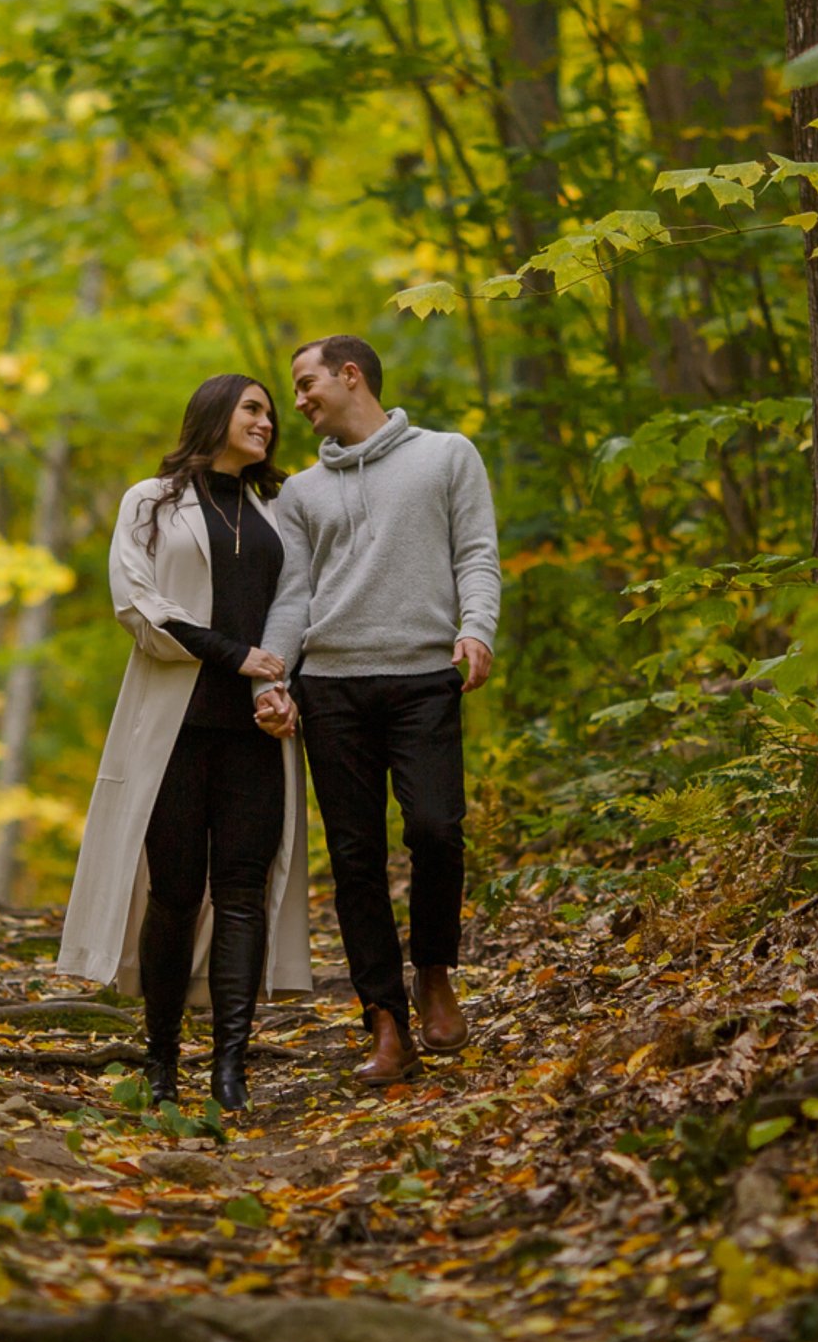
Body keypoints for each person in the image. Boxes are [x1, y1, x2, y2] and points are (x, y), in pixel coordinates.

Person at [59, 375, 316, 1110]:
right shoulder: (152, 500)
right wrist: (232, 655)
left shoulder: (278, 508)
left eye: (270, 413)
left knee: (242, 893)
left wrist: (274, 685)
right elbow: (136, 603)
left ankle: (230, 1066)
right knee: (174, 893)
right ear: (213, 413)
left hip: (256, 730)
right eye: (254, 408)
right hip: (173, 726)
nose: (268, 422)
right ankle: (161, 1058)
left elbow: (294, 609)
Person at [251, 335, 500, 1085]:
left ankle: (433, 972)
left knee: (435, 829)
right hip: (331, 687)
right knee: (356, 859)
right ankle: (385, 1023)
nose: (296, 402)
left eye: (305, 383)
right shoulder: (298, 493)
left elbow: (476, 554)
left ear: (349, 375)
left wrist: (475, 627)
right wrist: (272, 678)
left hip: (426, 674)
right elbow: (293, 596)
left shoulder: (448, 455)